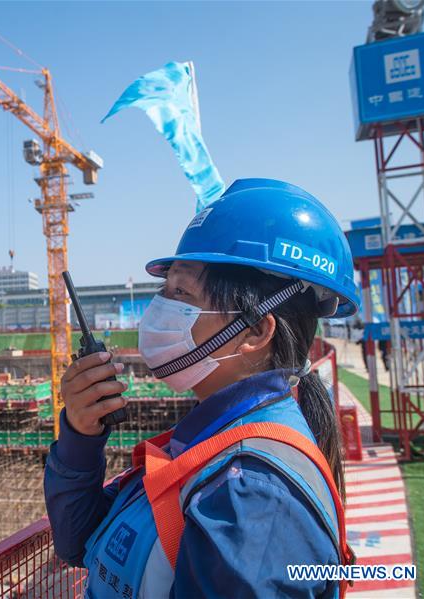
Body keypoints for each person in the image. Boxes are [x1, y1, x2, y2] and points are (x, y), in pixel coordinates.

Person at [44, 179, 357, 598]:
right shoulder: (209, 445)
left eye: (181, 292)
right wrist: (81, 435)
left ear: (255, 331)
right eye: (165, 290)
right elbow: (80, 542)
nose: (161, 309)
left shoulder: (253, 494)